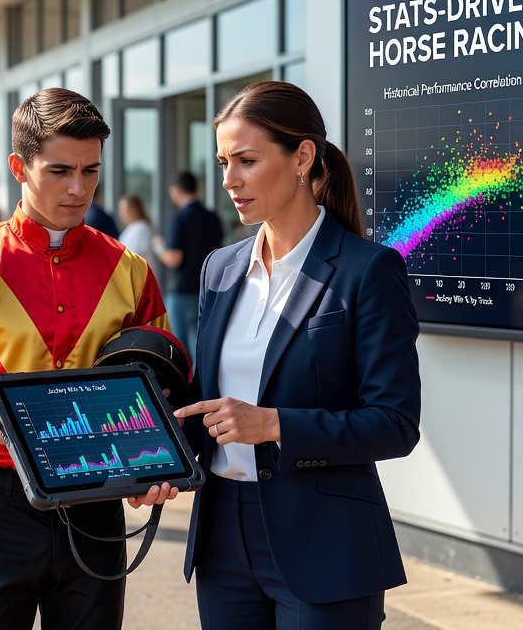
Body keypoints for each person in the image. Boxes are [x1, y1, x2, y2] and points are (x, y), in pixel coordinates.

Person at [0, 88, 177, 630]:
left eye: (91, 171)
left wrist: (152, 466)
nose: (79, 188)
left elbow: (160, 394)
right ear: (18, 166)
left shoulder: (132, 270)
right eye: (60, 170)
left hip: (101, 509)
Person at [172, 81, 421, 629]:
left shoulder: (367, 271)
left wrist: (273, 425)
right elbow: (208, 405)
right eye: (223, 161)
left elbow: (395, 424)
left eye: (247, 160)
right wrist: (161, 464)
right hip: (222, 540)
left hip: (325, 541)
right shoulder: (220, 269)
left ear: (302, 157)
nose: (228, 180)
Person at [151, 171, 221, 357]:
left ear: (176, 190)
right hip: (207, 290)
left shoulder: (179, 217)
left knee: (179, 350)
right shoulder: (212, 217)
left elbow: (174, 259)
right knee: (201, 349)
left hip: (181, 291)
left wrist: (159, 248)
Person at [116, 193, 162, 279]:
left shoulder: (141, 228)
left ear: (133, 210)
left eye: (123, 209)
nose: (120, 213)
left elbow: (127, 256)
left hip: (140, 281)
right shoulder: (132, 228)